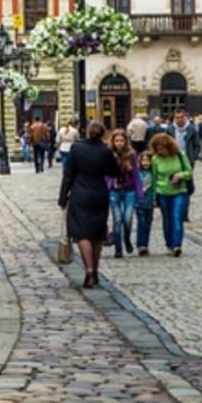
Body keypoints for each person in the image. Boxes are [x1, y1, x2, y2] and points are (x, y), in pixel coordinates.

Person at [58, 120, 120, 288]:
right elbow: (115, 172)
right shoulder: (105, 152)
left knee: (81, 233)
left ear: (87, 132)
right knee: (97, 234)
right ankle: (96, 269)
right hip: (99, 194)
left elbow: (68, 175)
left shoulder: (77, 149)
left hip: (80, 193)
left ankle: (89, 270)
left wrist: (63, 198)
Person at [148, 131, 191, 257]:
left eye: (162, 148)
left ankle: (177, 245)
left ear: (169, 147)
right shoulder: (155, 159)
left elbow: (189, 172)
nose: (160, 151)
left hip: (180, 191)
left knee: (177, 217)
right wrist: (154, 197)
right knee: (167, 219)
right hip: (163, 192)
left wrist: (180, 175)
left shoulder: (180, 156)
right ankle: (169, 244)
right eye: (157, 149)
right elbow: (154, 178)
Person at [106, 129, 140, 258]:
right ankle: (118, 249)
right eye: (117, 141)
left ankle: (126, 238)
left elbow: (136, 175)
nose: (119, 143)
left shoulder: (131, 155)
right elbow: (105, 174)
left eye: (121, 141)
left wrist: (139, 193)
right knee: (117, 219)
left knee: (127, 218)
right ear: (113, 142)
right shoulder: (109, 154)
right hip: (114, 190)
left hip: (129, 190)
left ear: (125, 142)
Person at [135, 151, 156, 257]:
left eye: (148, 160)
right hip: (140, 202)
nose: (146, 163)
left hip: (150, 202)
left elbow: (155, 187)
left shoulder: (153, 174)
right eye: (143, 160)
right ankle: (141, 244)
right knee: (142, 222)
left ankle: (145, 243)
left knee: (148, 223)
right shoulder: (137, 173)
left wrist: (155, 199)